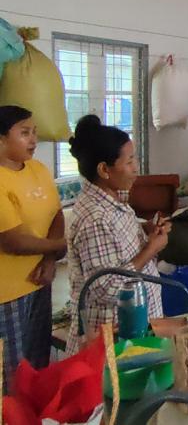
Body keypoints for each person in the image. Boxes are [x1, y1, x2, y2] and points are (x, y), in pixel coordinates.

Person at [66, 115, 171, 355]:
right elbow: (108, 288)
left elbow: (118, 244)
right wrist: (151, 249)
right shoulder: (95, 219)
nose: (136, 168)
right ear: (104, 169)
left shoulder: (113, 198)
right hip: (112, 341)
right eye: (129, 161)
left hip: (133, 330)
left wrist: (144, 230)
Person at [0, 106, 65, 391]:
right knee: (11, 372)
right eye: (24, 133)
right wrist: (60, 246)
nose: (33, 140)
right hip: (7, 293)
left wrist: (50, 259)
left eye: (35, 132)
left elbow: (56, 215)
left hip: (39, 281)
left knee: (38, 360)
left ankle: (37, 412)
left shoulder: (38, 169)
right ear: (1, 139)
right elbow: (12, 241)